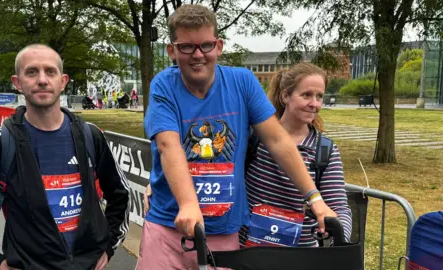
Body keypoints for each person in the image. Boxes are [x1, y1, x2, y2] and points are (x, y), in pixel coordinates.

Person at [138, 4, 336, 269]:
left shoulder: (242, 82)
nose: (198, 55)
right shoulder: (164, 85)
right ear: (172, 50)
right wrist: (188, 204)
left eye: (206, 45)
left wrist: (315, 199)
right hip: (168, 226)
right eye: (187, 47)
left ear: (219, 46)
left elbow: (277, 140)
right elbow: (168, 145)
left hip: (223, 230)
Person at [0, 44, 130, 270]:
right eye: (32, 72)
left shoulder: (90, 136)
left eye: (50, 72)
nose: (42, 80)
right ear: (17, 82)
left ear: (63, 81)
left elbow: (121, 195)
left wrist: (109, 247)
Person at [240, 63, 352, 248]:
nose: (314, 103)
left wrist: (339, 239)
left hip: (301, 257)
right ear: (285, 96)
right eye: (306, 95)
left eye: (319, 97)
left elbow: (338, 207)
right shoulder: (255, 138)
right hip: (249, 252)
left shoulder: (324, 151)